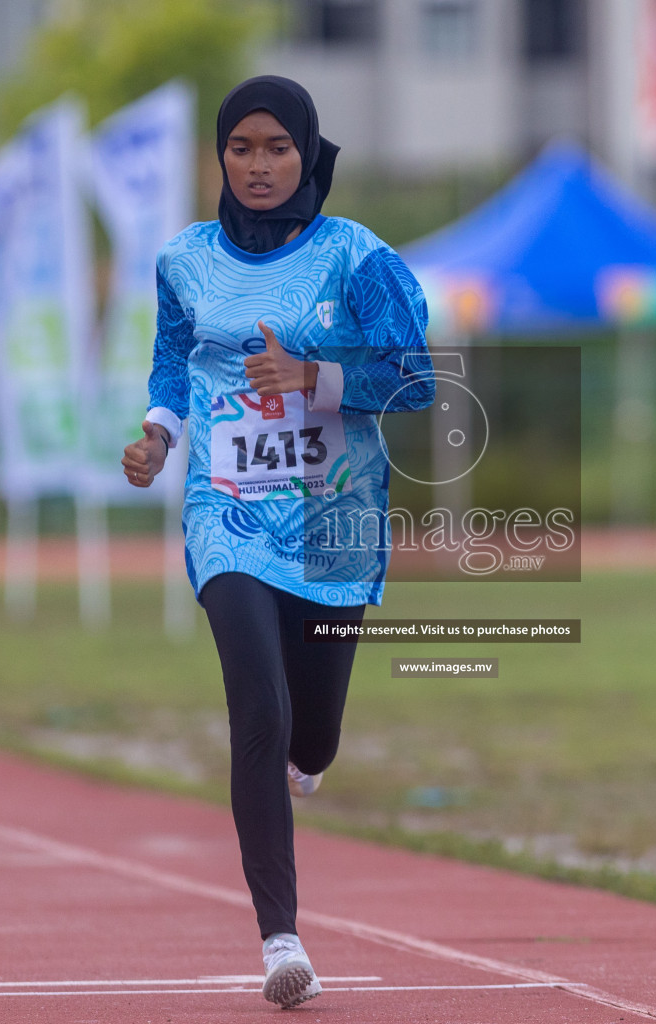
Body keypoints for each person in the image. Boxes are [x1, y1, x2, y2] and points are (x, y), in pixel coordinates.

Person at [121, 76, 434, 1008]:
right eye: (241, 148)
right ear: (220, 156)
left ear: (308, 153)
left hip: (336, 518)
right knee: (256, 704)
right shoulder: (184, 259)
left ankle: (311, 762)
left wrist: (314, 375)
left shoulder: (357, 258)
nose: (258, 166)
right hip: (228, 510)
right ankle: (280, 940)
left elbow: (416, 378)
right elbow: (174, 355)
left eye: (277, 148)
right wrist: (158, 434)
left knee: (313, 732)